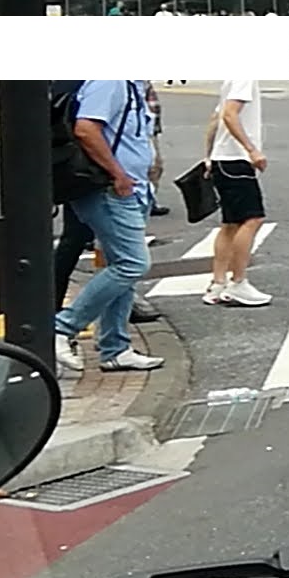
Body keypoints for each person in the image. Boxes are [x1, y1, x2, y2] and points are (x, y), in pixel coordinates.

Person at [51, 80, 165, 373]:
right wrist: (118, 174)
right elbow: (86, 129)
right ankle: (62, 328)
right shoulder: (110, 80)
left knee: (120, 266)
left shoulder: (130, 84)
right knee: (132, 264)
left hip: (127, 188)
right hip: (110, 188)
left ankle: (115, 347)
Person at [203, 78, 273, 306]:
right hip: (236, 160)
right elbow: (229, 114)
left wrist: (209, 155)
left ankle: (218, 282)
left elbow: (216, 118)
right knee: (252, 218)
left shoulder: (232, 77)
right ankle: (239, 282)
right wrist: (252, 150)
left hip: (222, 159)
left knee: (231, 223)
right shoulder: (245, 76)